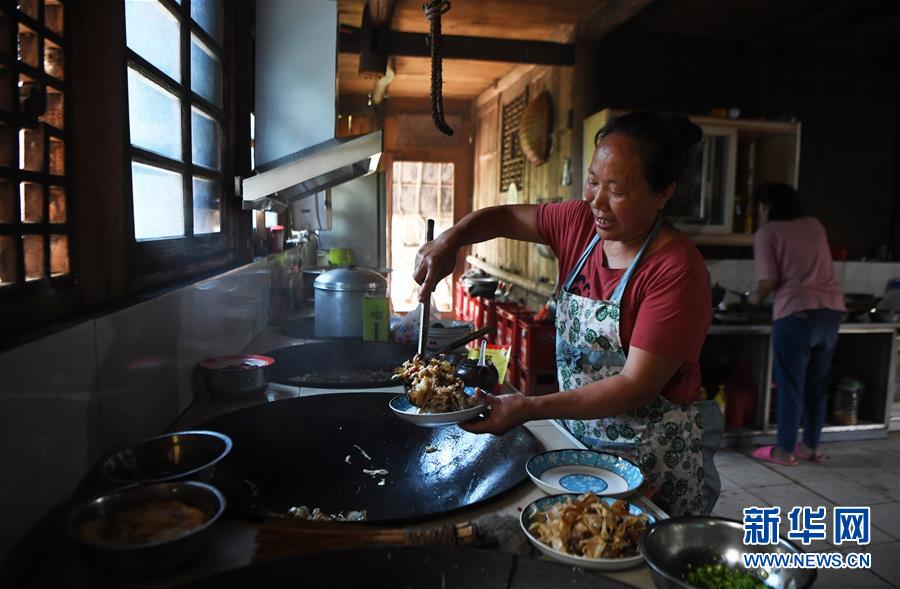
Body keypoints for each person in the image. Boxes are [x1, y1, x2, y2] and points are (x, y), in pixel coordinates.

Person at [414, 111, 723, 516]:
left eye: (617, 190)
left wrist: (530, 406)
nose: (596, 201)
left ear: (663, 194)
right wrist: (449, 241)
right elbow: (503, 217)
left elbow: (636, 385)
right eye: (593, 181)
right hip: (579, 447)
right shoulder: (580, 225)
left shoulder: (675, 270)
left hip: (650, 460)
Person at [748, 183, 846, 466]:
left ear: (766, 207)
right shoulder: (813, 225)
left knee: (791, 386)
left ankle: (785, 450)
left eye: (759, 207)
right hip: (830, 314)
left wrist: (753, 299)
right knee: (817, 385)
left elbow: (769, 282)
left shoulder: (767, 233)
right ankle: (811, 447)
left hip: (796, 315)